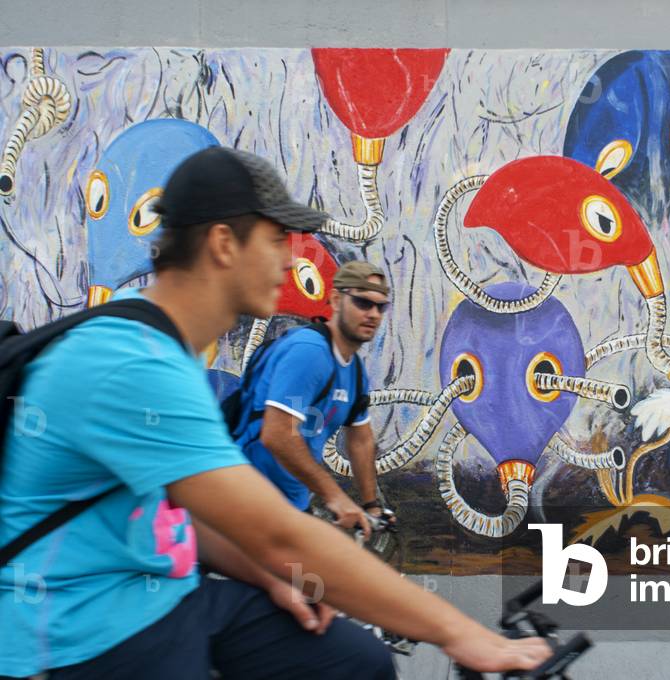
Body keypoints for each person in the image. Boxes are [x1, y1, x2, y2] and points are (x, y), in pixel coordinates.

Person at [0, 147, 550, 678]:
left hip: (164, 593)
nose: (291, 257)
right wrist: (462, 632)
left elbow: (177, 513)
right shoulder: (132, 362)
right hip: (82, 632)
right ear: (222, 244)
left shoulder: (168, 348)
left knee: (351, 660)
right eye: (277, 238)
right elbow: (280, 535)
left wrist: (269, 579)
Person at [233, 260, 393, 537]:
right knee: (306, 578)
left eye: (380, 307)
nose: (373, 314)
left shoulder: (353, 370)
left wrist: (372, 506)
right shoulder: (309, 353)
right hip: (248, 496)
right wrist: (335, 497)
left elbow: (361, 439)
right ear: (335, 299)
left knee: (314, 578)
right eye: (363, 303)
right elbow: (278, 434)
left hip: (290, 502)